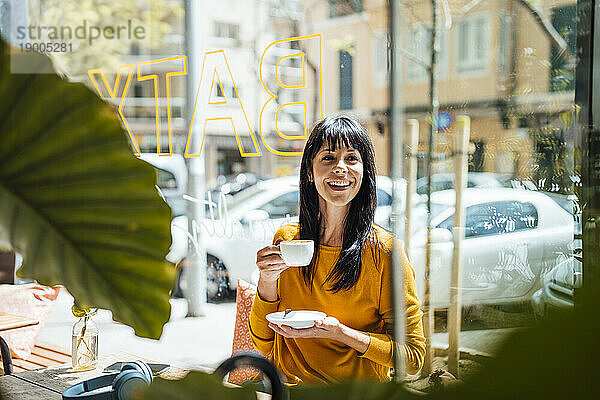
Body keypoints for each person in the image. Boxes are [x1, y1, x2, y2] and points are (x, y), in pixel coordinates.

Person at [249, 116, 425, 384]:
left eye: (352, 158)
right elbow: (262, 344)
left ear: (365, 171)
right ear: (310, 170)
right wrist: (267, 279)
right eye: (328, 158)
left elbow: (412, 357)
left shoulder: (385, 251)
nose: (340, 168)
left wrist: (339, 332)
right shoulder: (287, 241)